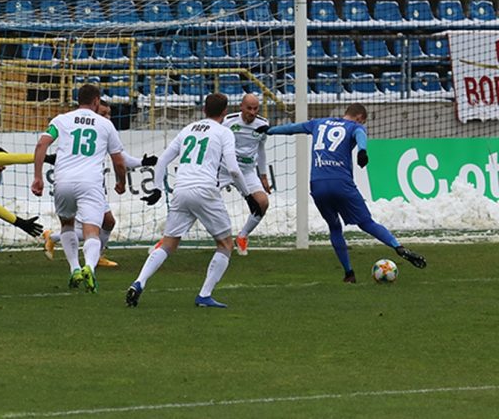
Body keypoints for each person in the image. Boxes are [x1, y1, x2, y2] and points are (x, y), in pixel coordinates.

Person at [261, 103, 426, 283]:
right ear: (359, 118)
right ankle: (398, 247)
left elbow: (293, 128)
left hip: (317, 185)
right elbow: (360, 134)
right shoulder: (354, 127)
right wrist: (362, 151)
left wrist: (270, 130)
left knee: (334, 227)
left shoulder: (318, 123)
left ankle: (349, 273)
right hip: (341, 183)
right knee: (366, 223)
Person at [127, 93, 254, 308]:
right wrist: (248, 195)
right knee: (225, 244)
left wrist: (157, 189)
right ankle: (204, 295)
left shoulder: (188, 129)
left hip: (181, 190)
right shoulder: (224, 132)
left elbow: (163, 160)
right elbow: (233, 169)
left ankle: (139, 281)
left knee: (168, 243)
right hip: (205, 190)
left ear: (204, 109)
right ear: (225, 112)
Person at [32, 84, 127, 293]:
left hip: (63, 181)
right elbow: (119, 161)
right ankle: (90, 267)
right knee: (92, 231)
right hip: (90, 183)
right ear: (96, 101)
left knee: (67, 225)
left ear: (78, 100)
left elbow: (41, 145)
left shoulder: (61, 120)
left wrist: (38, 177)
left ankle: (75, 268)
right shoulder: (105, 124)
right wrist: (122, 182)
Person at [41, 100, 158, 267]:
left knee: (107, 222)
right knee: (91, 228)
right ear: (94, 110)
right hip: (82, 185)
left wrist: (142, 162)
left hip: (92, 185)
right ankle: (65, 246)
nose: (107, 117)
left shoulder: (103, 129)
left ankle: (83, 252)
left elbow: (121, 158)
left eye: (109, 114)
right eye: (103, 113)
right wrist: (122, 181)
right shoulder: (84, 127)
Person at [221, 94, 271, 256]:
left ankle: (242, 236)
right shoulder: (229, 121)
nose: (252, 112)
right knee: (199, 198)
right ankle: (170, 238)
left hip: (247, 171)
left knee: (262, 202)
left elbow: (261, 150)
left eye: (256, 108)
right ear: (241, 107)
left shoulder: (263, 124)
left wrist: (263, 175)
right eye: (249, 108)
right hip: (224, 169)